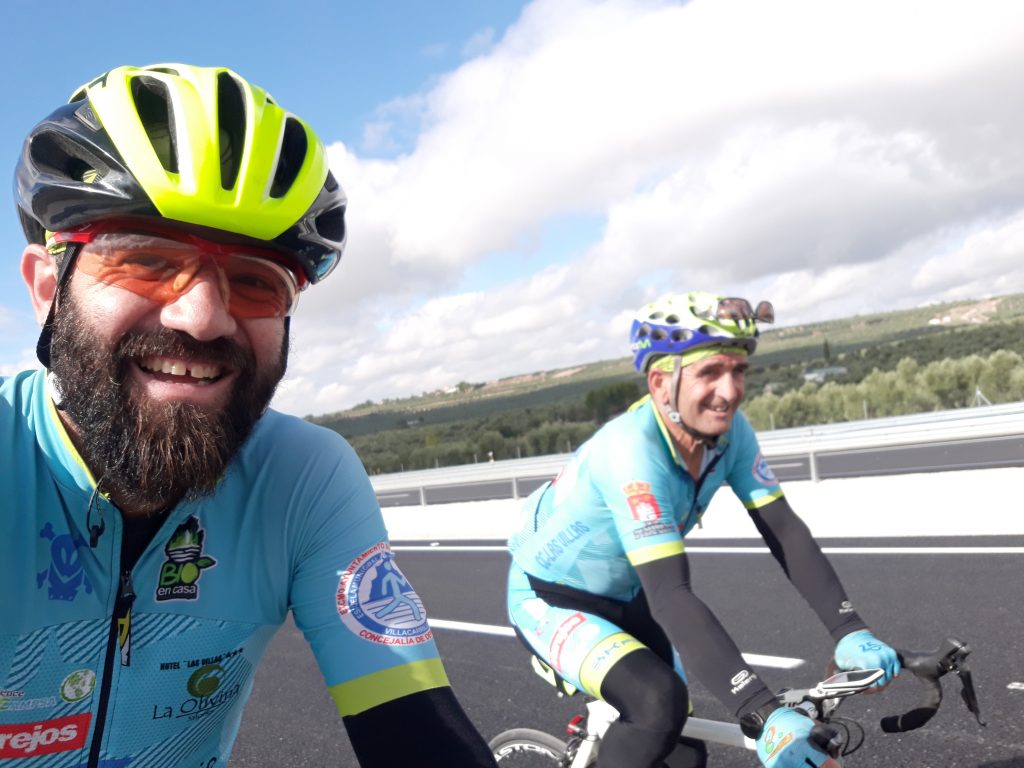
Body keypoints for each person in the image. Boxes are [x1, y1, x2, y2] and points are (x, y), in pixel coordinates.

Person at [2, 63, 498, 767]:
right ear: (47, 289)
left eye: (255, 282)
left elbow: (418, 731)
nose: (203, 317)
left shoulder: (303, 479)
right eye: (145, 261)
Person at [506, 292, 901, 768]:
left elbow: (784, 531)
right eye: (710, 372)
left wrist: (850, 630)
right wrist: (763, 713)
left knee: (684, 754)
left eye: (739, 371)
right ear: (661, 383)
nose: (730, 391)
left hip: (631, 595)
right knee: (657, 706)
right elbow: (671, 594)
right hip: (553, 598)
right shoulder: (629, 451)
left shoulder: (730, 433)